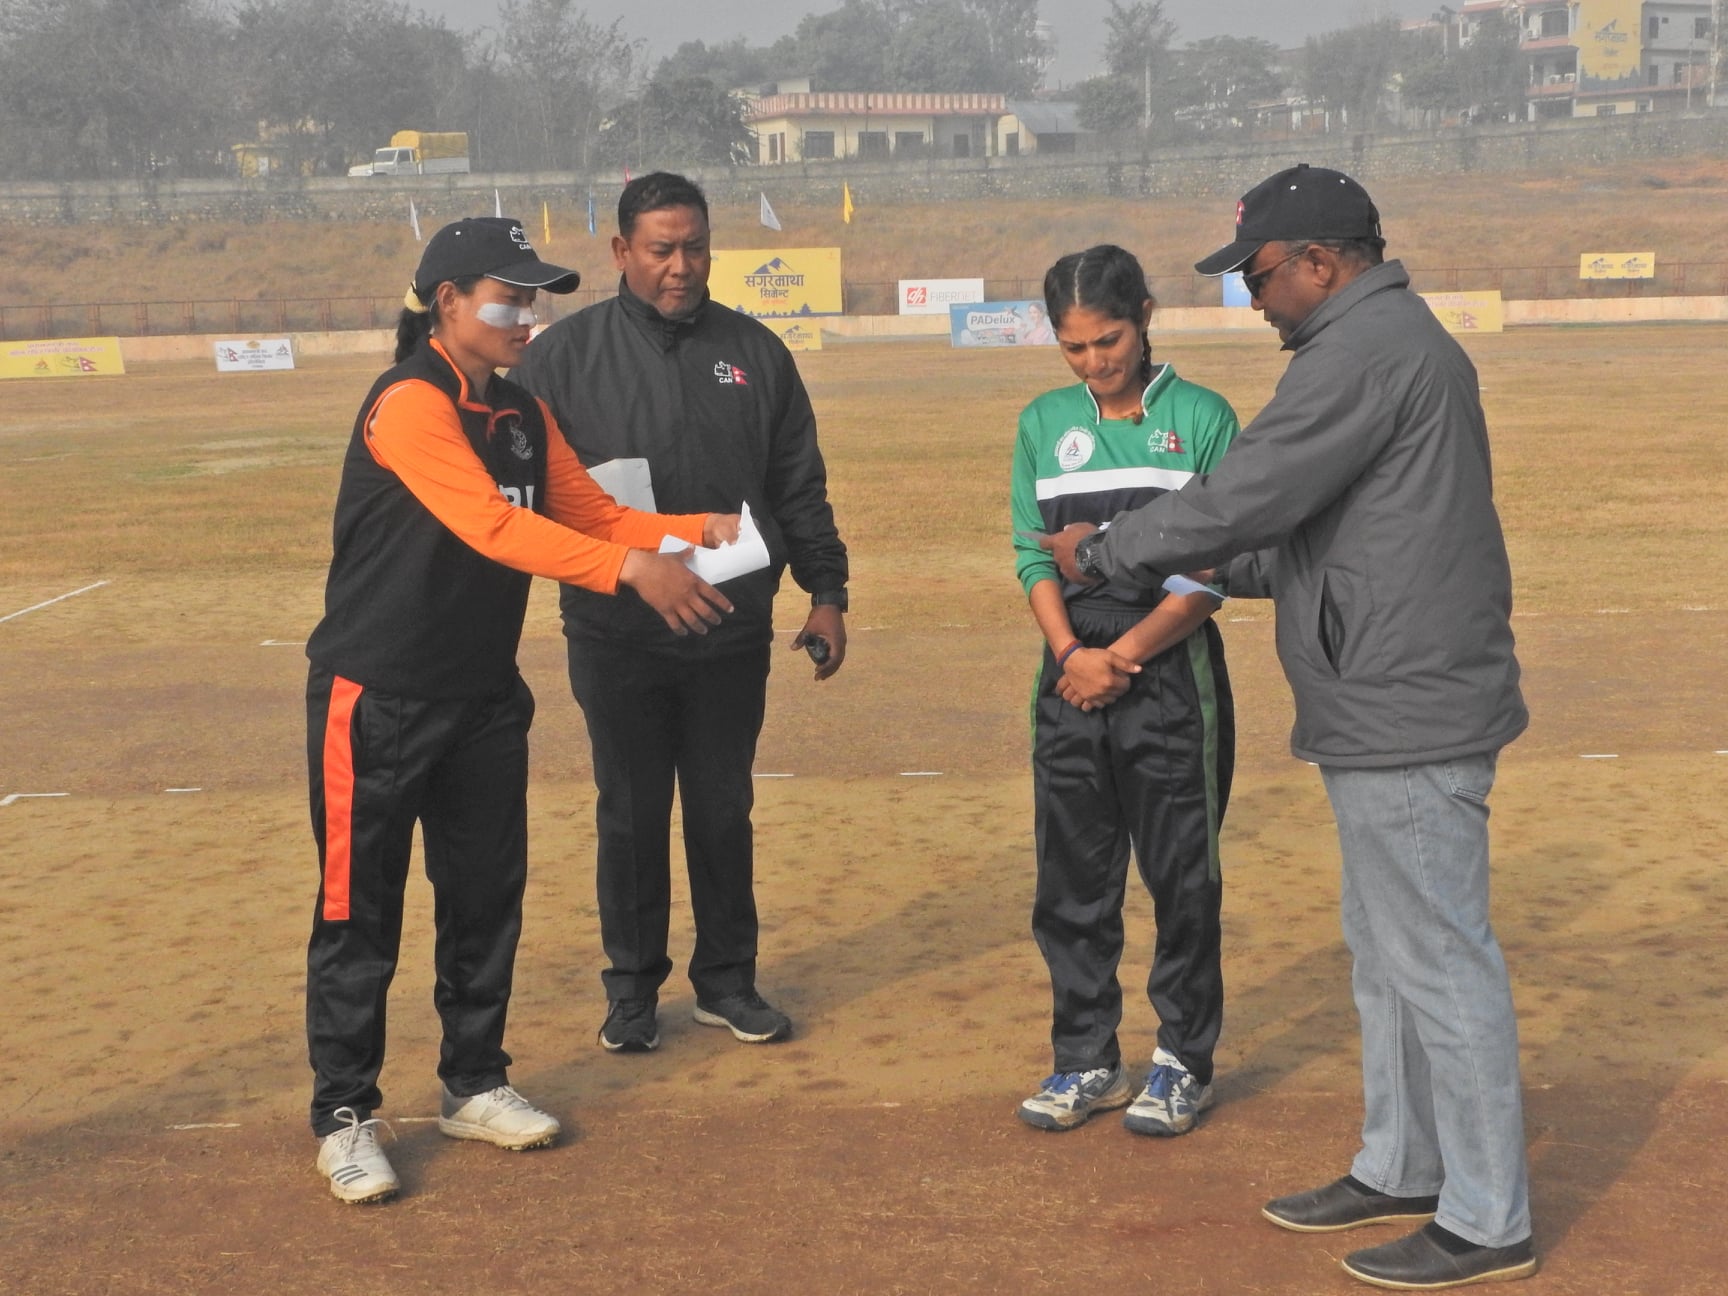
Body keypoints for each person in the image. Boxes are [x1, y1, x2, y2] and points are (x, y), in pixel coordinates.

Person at [1041, 165, 1535, 1289]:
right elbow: (1321, 531)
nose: (1252, 298)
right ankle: (1404, 1161)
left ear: (1322, 261)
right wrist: (1233, 561)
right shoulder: (1384, 345)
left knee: (1440, 962)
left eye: (1259, 275)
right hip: (1384, 696)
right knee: (1389, 957)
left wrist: (1118, 550)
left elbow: (1246, 489)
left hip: (1405, 704)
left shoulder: (1361, 353)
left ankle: (1488, 1214)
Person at [304, 215, 738, 1204]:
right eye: (507, 297)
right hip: (374, 698)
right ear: (447, 302)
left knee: (483, 897)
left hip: (484, 698)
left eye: (535, 297)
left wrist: (685, 532)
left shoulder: (519, 414)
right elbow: (495, 526)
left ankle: (474, 1082)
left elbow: (592, 514)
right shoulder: (409, 404)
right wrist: (634, 570)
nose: (526, 316)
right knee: (357, 912)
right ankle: (344, 1114)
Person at [512, 172, 849, 1053]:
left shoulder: (757, 352)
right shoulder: (560, 359)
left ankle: (727, 982)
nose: (681, 266)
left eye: (695, 247)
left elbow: (798, 488)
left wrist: (826, 594)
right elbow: (524, 501)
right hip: (613, 633)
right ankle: (631, 989)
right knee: (626, 811)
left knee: (720, 808)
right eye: (661, 249)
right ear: (621, 251)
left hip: (731, 634)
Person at [1010, 246, 1239, 1139]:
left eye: (1108, 340)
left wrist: (1124, 656)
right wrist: (1072, 652)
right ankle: (1087, 1059)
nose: (1094, 362)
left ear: (1144, 317)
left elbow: (1215, 569)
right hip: (1068, 669)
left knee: (1182, 877)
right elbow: (1033, 554)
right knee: (1072, 878)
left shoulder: (1204, 417)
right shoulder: (1042, 421)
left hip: (1169, 667)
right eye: (1073, 348)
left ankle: (1183, 1061)